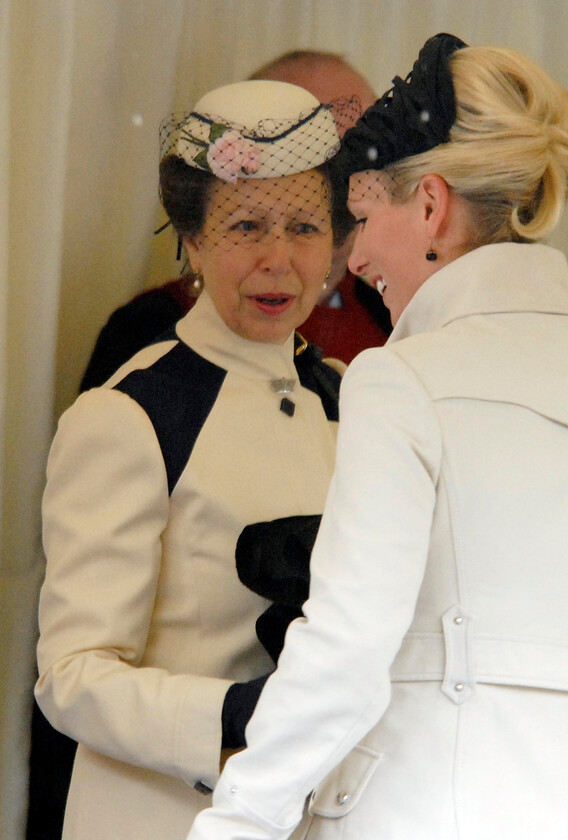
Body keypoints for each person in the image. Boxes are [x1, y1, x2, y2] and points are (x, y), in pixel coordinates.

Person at [186, 33, 568, 840]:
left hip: (419, 812)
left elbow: (345, 651)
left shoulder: (400, 381)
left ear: (433, 207)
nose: (357, 252)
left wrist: (235, 823)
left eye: (364, 216)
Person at [34, 79, 348, 840]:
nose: (279, 260)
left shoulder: (350, 401)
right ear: (193, 237)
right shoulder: (132, 413)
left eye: (305, 227)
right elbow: (71, 677)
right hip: (163, 817)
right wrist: (234, 715)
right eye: (246, 226)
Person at [78, 51, 387, 391]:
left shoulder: (391, 316)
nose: (335, 174)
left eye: (353, 149)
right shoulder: (145, 332)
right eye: (248, 226)